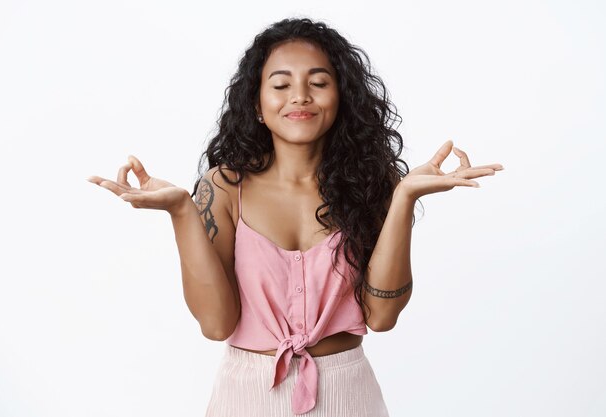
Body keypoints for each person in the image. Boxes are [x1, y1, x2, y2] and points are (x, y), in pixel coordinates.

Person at [87, 17, 503, 417]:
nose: (300, 96)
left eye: (318, 83)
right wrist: (181, 211)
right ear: (256, 104)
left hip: (348, 395)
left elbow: (382, 317)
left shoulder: (375, 186)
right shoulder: (225, 187)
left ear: (341, 98)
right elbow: (216, 324)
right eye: (281, 84)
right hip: (247, 396)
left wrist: (405, 197)